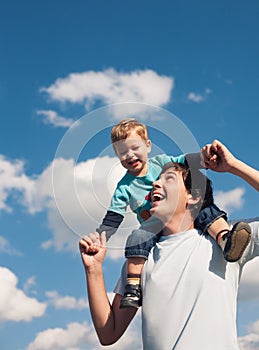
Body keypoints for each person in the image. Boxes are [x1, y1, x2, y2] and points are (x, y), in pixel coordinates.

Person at [79, 140, 259, 349]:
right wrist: (93, 270)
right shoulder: (139, 260)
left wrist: (234, 166)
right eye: (156, 180)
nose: (155, 184)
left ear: (194, 196)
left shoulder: (230, 241)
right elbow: (108, 333)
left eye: (169, 179)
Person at [97, 118, 251, 308]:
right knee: (136, 238)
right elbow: (114, 214)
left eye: (134, 148)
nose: (129, 155)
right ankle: (133, 287)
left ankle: (225, 240)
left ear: (148, 146)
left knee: (206, 212)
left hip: (179, 217)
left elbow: (184, 160)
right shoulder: (124, 187)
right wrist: (101, 236)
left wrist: (205, 158)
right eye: (122, 152)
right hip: (152, 225)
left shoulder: (161, 163)